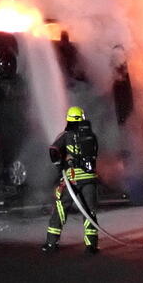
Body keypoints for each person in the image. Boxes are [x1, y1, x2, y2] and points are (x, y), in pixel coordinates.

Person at [41, 106, 99, 254]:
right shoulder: (91, 136)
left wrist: (60, 166)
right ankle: (91, 246)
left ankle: (51, 244)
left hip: (72, 178)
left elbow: (53, 150)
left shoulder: (66, 135)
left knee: (61, 209)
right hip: (90, 179)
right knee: (89, 212)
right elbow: (95, 155)